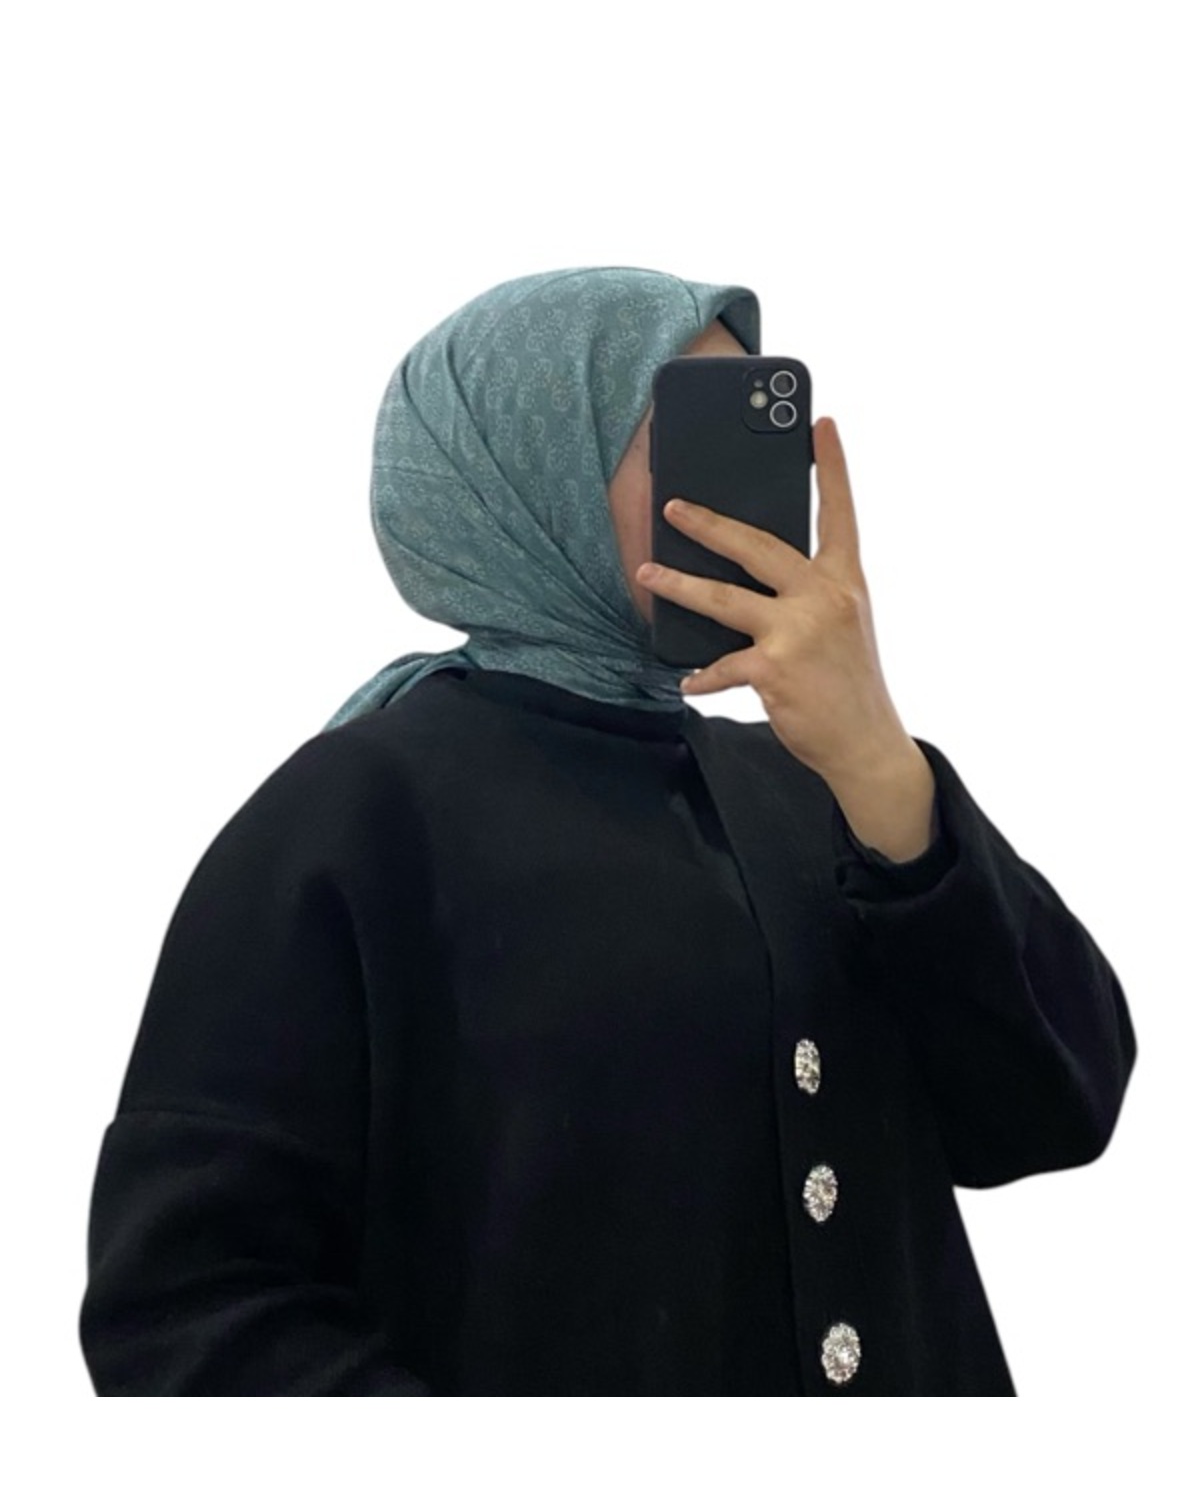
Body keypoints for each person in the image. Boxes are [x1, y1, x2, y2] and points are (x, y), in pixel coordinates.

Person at [78, 264, 1137, 1395]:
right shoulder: (354, 815)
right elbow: (186, 1304)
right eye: (691, 435)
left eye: (761, 434)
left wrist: (884, 765)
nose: (751, 489)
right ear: (528, 471)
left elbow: (1056, 1113)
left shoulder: (818, 787)